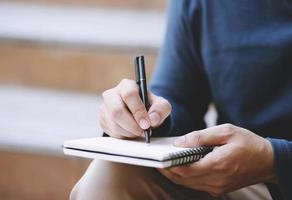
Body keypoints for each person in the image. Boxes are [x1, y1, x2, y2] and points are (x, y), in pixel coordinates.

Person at [70, 1, 292, 199]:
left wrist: (275, 162)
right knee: (110, 176)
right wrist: (146, 115)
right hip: (241, 176)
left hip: (274, 173)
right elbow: (178, 97)